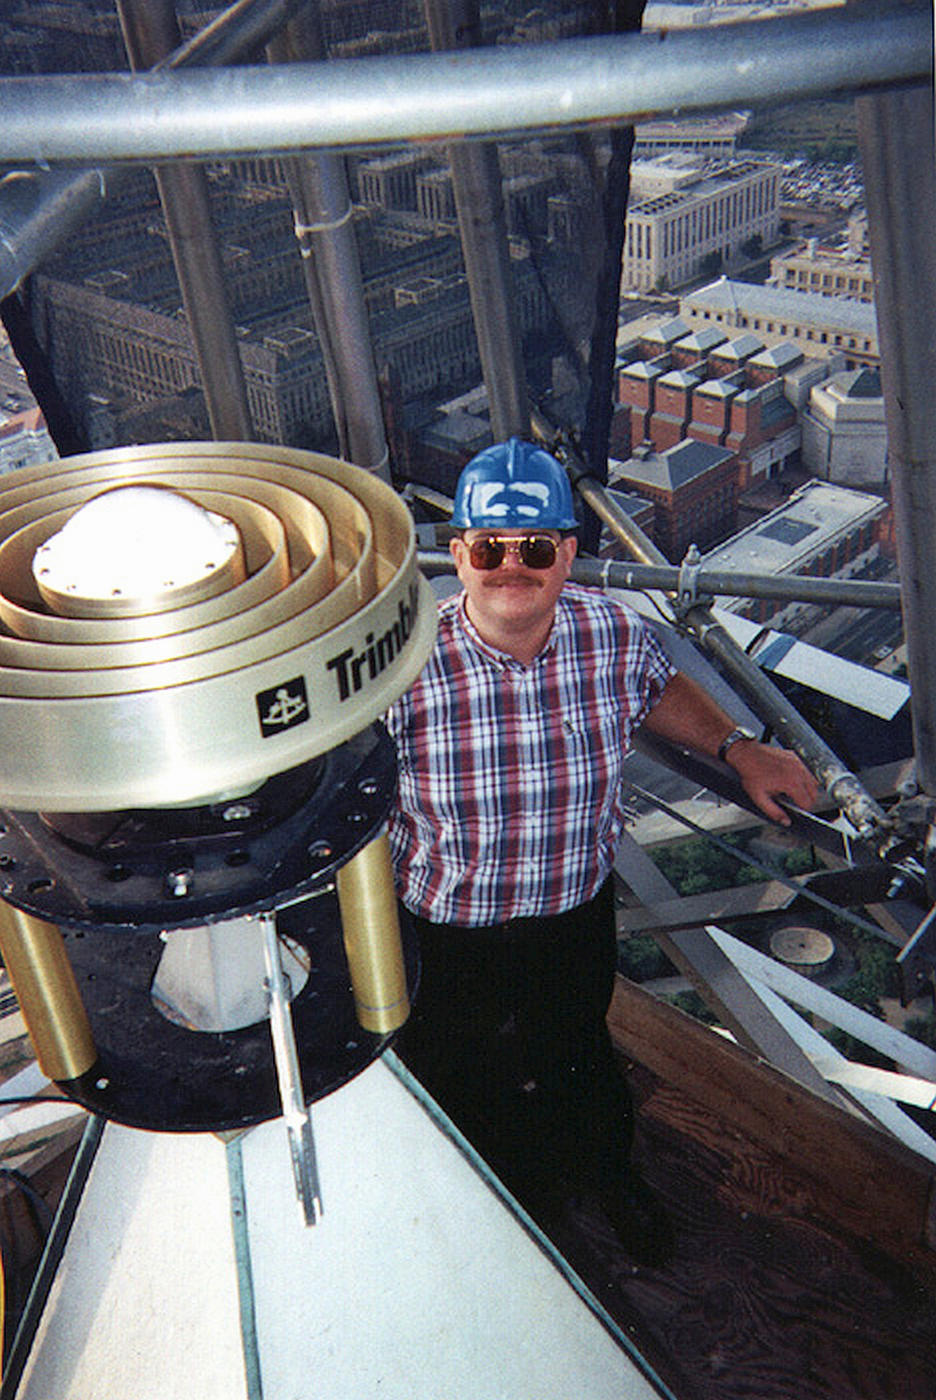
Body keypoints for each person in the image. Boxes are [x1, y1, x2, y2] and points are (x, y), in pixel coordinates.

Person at [385, 438, 818, 1266]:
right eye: (491, 550)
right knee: (457, 1071)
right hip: (447, 932)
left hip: (571, 913)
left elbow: (659, 687)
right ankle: (502, 1207)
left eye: (537, 549)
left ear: (569, 555)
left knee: (579, 1052)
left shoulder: (611, 634)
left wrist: (737, 748)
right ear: (459, 555)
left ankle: (610, 1178)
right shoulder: (405, 665)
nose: (514, 567)